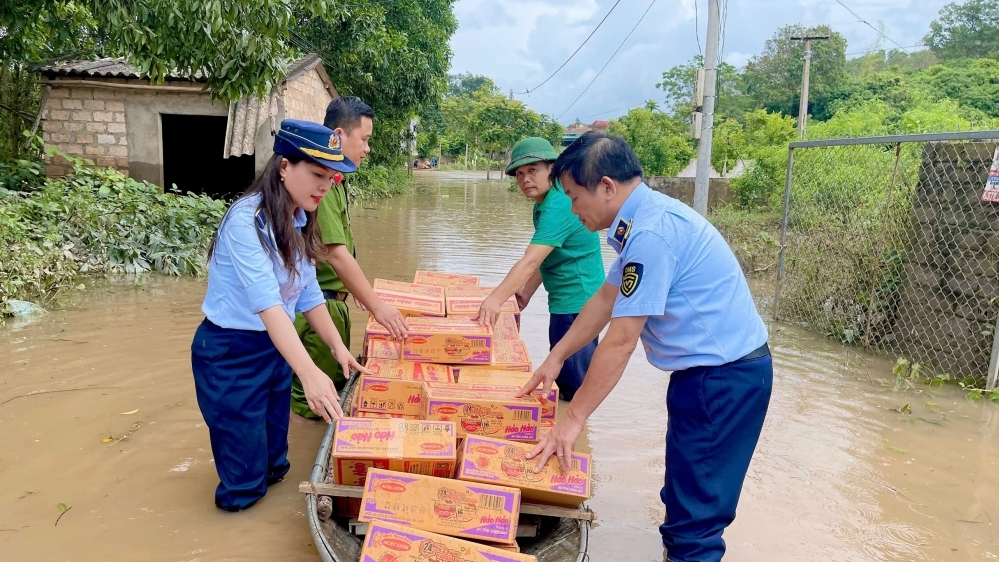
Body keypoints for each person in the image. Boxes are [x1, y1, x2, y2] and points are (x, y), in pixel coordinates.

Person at [519, 132, 772, 561]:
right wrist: (556, 357)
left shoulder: (651, 234)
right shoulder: (643, 224)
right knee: (684, 493)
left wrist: (573, 417)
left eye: (575, 196)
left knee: (696, 516)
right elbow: (605, 298)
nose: (573, 208)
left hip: (723, 380)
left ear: (606, 186)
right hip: (709, 377)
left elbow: (620, 341)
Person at [192, 119, 370, 512]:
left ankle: (264, 489)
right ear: (284, 167)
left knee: (276, 462)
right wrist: (309, 373)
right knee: (244, 485)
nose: (324, 186)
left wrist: (339, 349)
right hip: (231, 352)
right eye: (317, 174)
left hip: (275, 348)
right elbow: (269, 304)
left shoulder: (299, 218)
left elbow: (307, 293)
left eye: (331, 178)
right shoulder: (246, 221)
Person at [291, 96, 409, 419]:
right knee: (311, 406)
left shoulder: (336, 182)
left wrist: (357, 291)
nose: (367, 148)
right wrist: (378, 306)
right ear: (340, 135)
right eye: (365, 139)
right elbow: (336, 254)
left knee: (325, 392)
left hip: (330, 303)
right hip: (318, 309)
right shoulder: (319, 186)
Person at [473, 137, 605, 400]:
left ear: (552, 169)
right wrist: (526, 292)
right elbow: (547, 256)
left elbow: (531, 260)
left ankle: (574, 437)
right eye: (519, 174)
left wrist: (495, 299)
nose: (525, 179)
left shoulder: (558, 205)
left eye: (533, 170)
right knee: (563, 374)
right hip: (564, 303)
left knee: (573, 386)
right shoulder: (543, 205)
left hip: (577, 303)